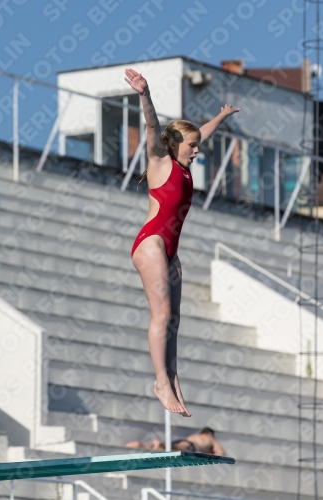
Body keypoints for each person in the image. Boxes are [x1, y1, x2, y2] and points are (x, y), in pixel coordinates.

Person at [125, 68, 240, 417]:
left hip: (170, 250)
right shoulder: (160, 162)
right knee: (161, 313)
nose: (197, 151)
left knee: (174, 317)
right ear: (174, 145)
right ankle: (160, 381)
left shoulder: (185, 166)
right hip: (152, 243)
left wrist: (220, 116)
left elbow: (198, 133)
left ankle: (171, 378)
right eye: (192, 147)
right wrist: (144, 94)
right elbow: (151, 126)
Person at [125, 427, 225, 456]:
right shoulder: (210, 438)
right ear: (210, 434)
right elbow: (220, 452)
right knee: (177, 448)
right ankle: (160, 444)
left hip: (184, 441)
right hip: (191, 446)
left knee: (170, 447)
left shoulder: (196, 435)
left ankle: (140, 445)